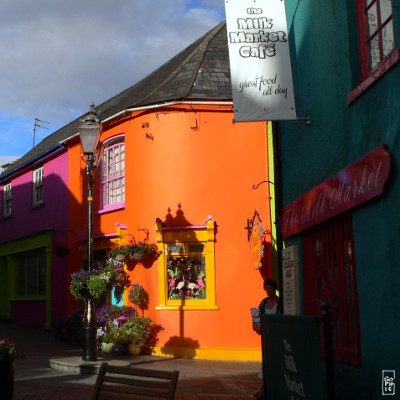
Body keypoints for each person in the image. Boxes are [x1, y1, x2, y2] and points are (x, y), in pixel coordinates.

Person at [253, 278, 280, 399]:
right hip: (266, 337)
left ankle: (264, 388)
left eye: (270, 288)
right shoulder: (264, 303)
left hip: (277, 337)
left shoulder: (280, 303)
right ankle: (265, 386)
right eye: (266, 288)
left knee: (274, 360)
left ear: (275, 288)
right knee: (267, 360)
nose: (268, 290)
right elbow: (258, 317)